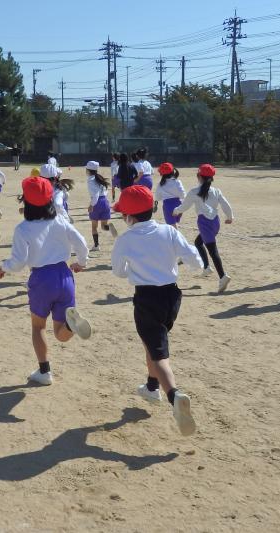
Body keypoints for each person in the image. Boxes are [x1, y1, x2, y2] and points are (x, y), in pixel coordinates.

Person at [110, 185, 203, 436]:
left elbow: (118, 271)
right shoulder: (169, 231)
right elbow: (193, 258)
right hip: (172, 297)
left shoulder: (125, 239)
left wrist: (134, 270)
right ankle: (152, 387)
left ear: (128, 217)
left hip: (146, 298)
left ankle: (174, 395)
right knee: (153, 342)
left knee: (159, 353)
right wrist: (196, 265)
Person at [0, 176, 92, 386]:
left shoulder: (23, 229)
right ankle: (71, 326)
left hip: (41, 278)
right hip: (64, 276)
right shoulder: (60, 221)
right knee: (61, 333)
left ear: (26, 202)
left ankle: (44, 372)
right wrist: (81, 262)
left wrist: (4, 267)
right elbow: (81, 243)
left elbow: (18, 262)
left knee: (38, 327)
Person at [173, 164, 233, 293]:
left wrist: (176, 211)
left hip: (204, 223)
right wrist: (229, 217)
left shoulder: (194, 192)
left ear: (199, 176)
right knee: (198, 242)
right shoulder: (216, 191)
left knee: (213, 251)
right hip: (215, 223)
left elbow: (184, 206)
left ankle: (223, 276)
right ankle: (206, 267)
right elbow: (225, 204)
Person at [85, 161, 116, 251]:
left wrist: (91, 205)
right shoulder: (99, 178)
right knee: (103, 226)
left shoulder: (90, 180)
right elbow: (105, 191)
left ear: (88, 170)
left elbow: (95, 195)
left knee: (94, 227)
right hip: (105, 202)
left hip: (97, 203)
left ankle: (96, 245)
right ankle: (109, 228)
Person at [155, 162, 185, 227]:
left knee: (172, 226)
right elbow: (183, 194)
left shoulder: (161, 184)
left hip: (168, 205)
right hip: (178, 204)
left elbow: (157, 197)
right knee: (175, 223)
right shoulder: (177, 181)